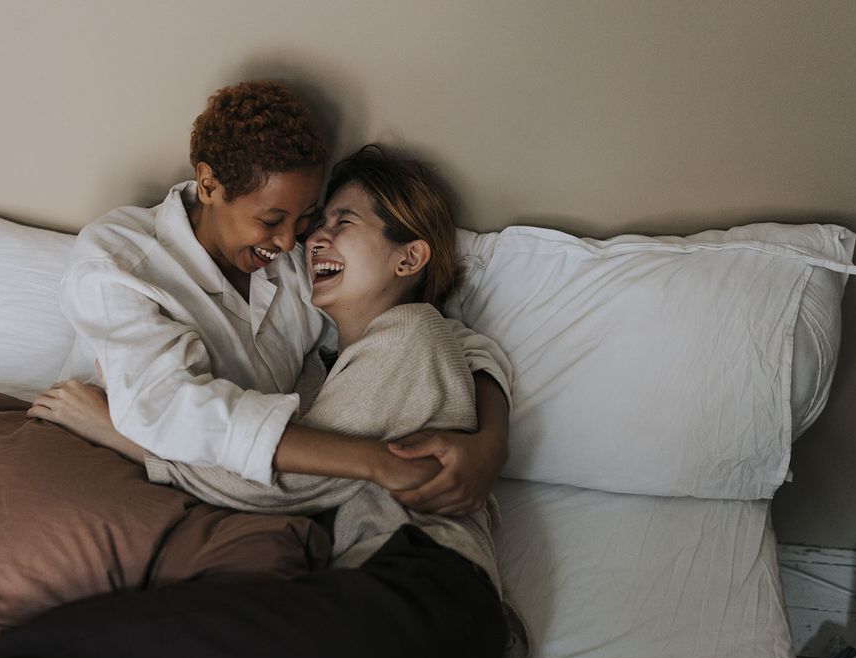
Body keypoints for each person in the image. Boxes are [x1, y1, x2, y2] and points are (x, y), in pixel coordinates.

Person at [0, 146, 528, 658]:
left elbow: (277, 487)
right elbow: (474, 352)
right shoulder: (323, 362)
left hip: (421, 590)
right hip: (376, 592)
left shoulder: (411, 336)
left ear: (410, 256)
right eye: (319, 223)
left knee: (49, 648)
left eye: (343, 223)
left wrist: (120, 433)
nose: (312, 240)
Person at [33, 79, 514, 516]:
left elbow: (432, 336)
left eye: (306, 217)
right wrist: (376, 463)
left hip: (231, 501)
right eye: (271, 220)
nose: (289, 242)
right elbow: (174, 412)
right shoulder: (119, 263)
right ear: (209, 184)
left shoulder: (299, 264)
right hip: (99, 462)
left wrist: (491, 444)